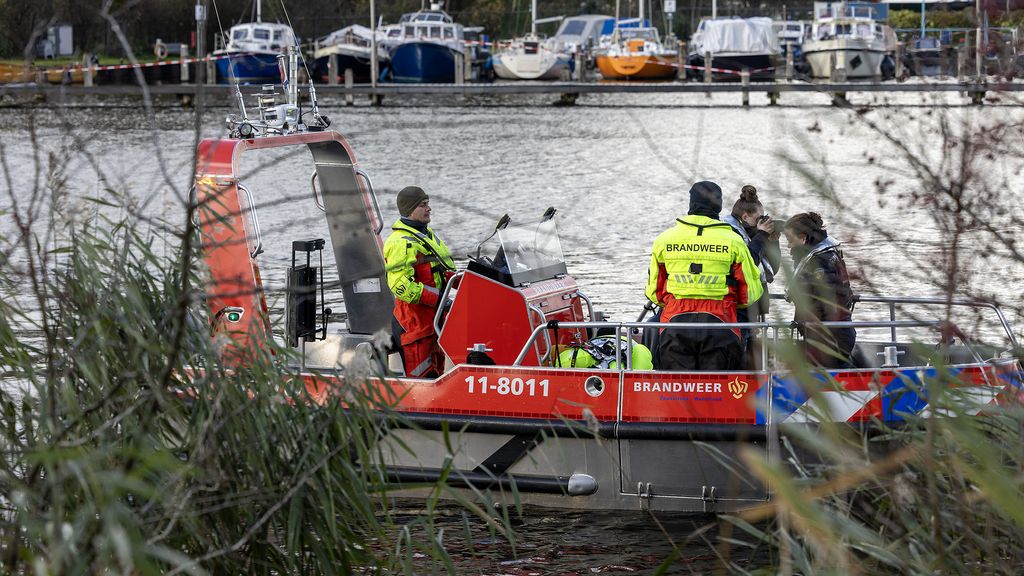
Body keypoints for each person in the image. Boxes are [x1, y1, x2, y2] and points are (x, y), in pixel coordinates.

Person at [645, 181, 763, 371]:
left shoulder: (664, 240)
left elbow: (654, 293)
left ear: (691, 204)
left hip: (675, 323)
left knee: (677, 389)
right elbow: (751, 292)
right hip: (721, 323)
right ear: (718, 205)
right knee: (719, 387)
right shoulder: (734, 241)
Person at [382, 186, 456, 378]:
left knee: (438, 379)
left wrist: (473, 281)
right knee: (423, 385)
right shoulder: (399, 242)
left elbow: (445, 270)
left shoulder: (426, 234)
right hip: (414, 325)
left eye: (428, 204)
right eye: (423, 205)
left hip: (434, 322)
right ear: (410, 209)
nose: (429, 208)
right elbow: (400, 285)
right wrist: (439, 298)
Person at [782, 212, 857, 369]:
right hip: (833, 336)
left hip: (830, 338)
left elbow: (830, 302)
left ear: (803, 238)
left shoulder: (819, 263)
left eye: (790, 240)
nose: (788, 246)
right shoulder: (819, 255)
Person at [722, 185, 781, 365]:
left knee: (747, 345)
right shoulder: (730, 234)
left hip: (750, 305)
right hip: (738, 305)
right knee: (738, 348)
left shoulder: (752, 234)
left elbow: (771, 269)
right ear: (745, 217)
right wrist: (761, 234)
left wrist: (772, 240)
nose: (762, 222)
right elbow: (747, 263)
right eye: (759, 218)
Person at [556, 331, 654, 370]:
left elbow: (615, 371)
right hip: (635, 347)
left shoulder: (565, 362)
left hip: (635, 356)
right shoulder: (580, 353)